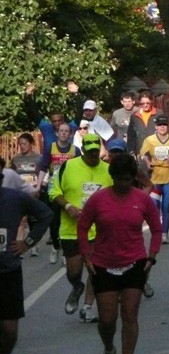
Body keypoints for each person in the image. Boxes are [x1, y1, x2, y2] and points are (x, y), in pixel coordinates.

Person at [77, 154, 162, 354]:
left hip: (134, 262)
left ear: (133, 177)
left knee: (129, 314)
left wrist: (152, 256)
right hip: (103, 264)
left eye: (128, 179)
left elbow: (156, 229)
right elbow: (83, 227)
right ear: (112, 177)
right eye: (119, 179)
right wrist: (87, 256)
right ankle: (108, 349)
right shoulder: (98, 199)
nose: (123, 184)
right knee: (107, 319)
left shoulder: (142, 199)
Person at [0, 160, 52, 354]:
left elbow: (45, 214)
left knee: (9, 330)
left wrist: (28, 242)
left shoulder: (14, 199)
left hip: (7, 271)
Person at [48, 133, 113, 324]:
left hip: (99, 230)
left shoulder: (108, 170)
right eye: (90, 151)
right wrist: (68, 206)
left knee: (95, 270)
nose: (93, 155)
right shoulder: (67, 167)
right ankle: (77, 287)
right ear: (83, 149)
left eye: (96, 151)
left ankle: (87, 308)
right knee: (73, 272)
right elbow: (53, 192)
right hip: (72, 229)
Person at [37, 123, 80, 264]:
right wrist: (38, 186)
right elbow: (43, 167)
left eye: (66, 131)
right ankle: (56, 246)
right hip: (53, 190)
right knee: (54, 222)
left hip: (69, 190)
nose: (63, 133)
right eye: (61, 131)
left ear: (70, 134)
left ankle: (66, 252)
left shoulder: (76, 150)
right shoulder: (50, 148)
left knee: (67, 222)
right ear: (57, 133)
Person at [140, 115, 169, 245]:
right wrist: (147, 162)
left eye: (164, 125)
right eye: (160, 125)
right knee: (154, 208)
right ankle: (156, 232)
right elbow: (142, 154)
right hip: (155, 179)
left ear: (168, 126)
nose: (162, 127)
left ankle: (164, 234)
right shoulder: (150, 139)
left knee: (166, 207)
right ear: (156, 127)